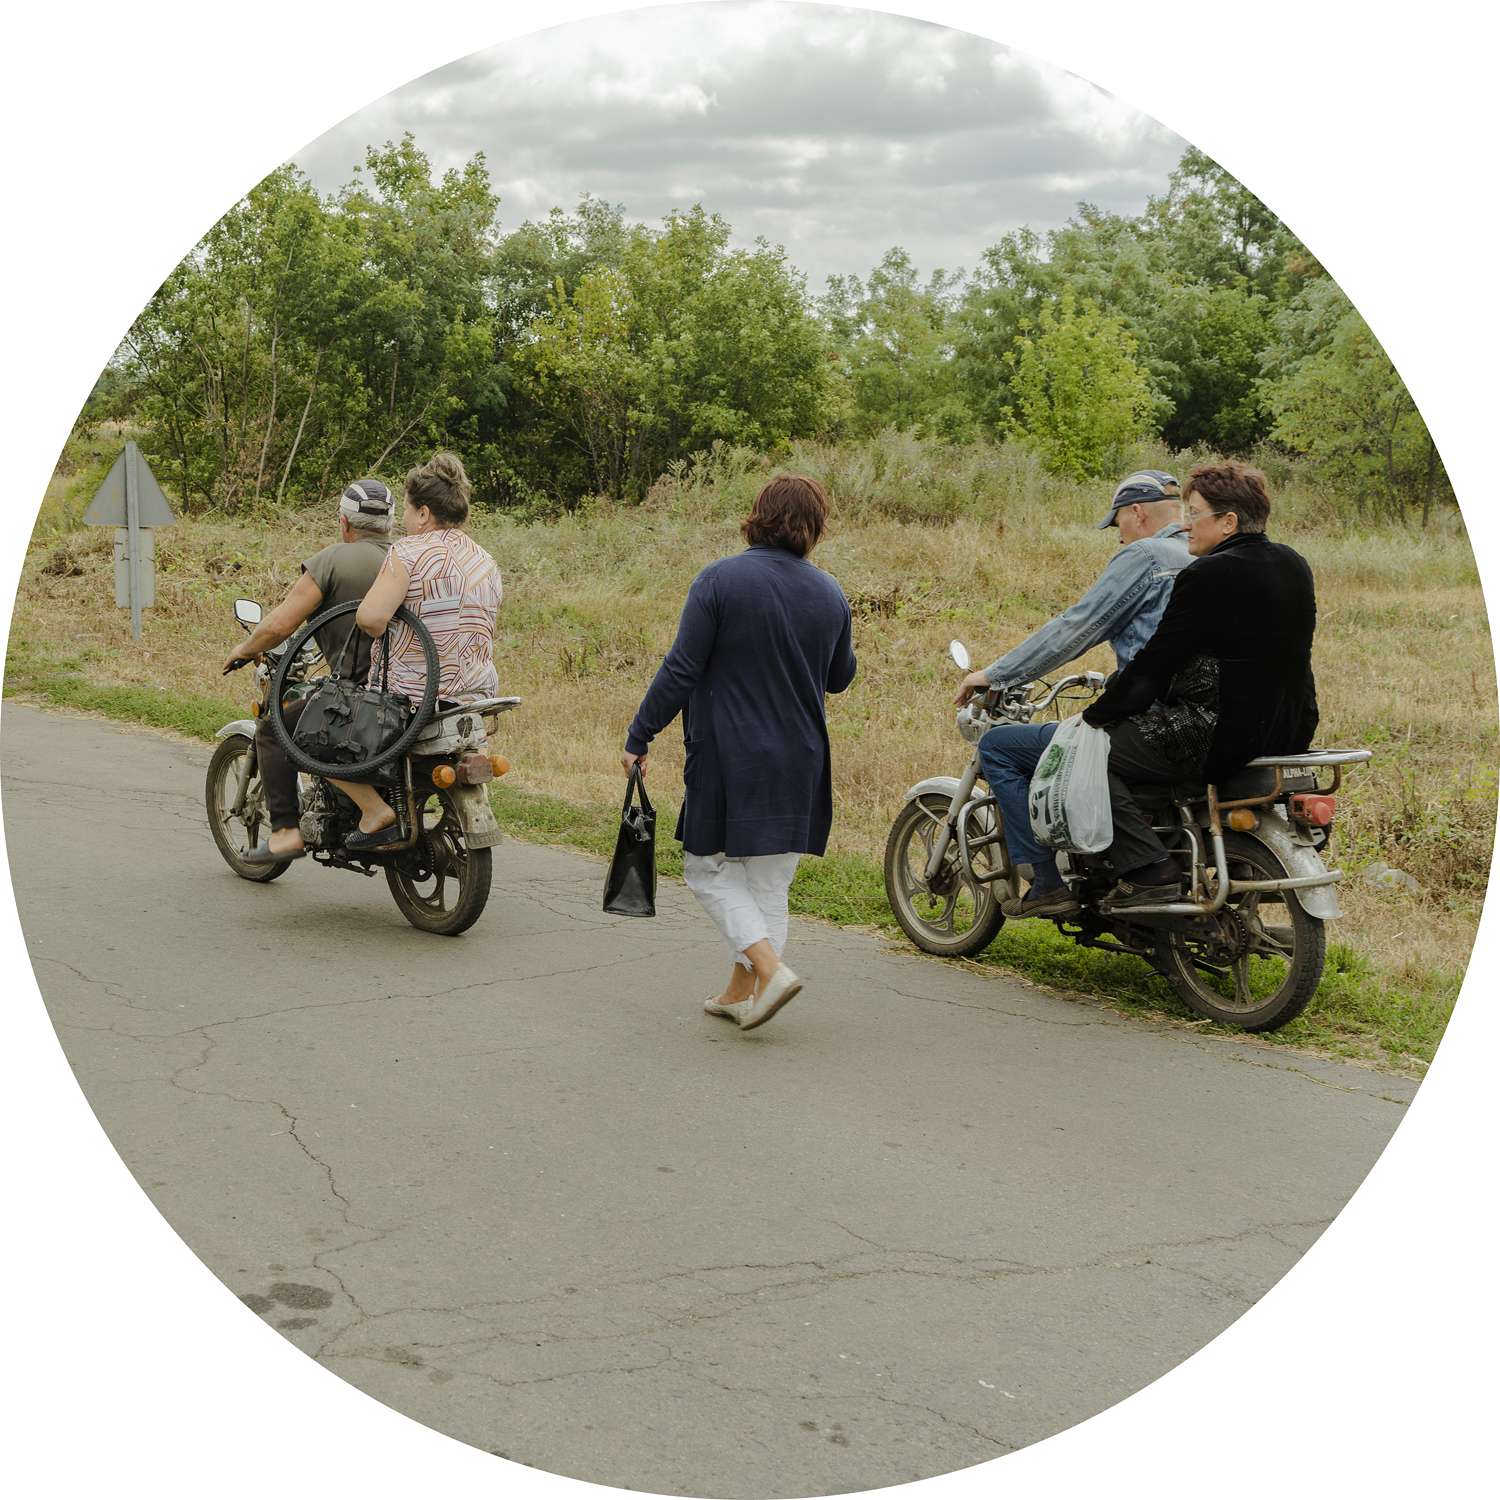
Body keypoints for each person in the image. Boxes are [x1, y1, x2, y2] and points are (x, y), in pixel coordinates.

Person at [621, 475, 857, 1033]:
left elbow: (682, 668)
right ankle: (741, 992)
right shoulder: (831, 593)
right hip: (802, 755)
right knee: (769, 884)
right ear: (816, 529)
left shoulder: (721, 579)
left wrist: (640, 735)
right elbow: (841, 677)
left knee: (705, 869)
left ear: (758, 517)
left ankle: (770, 970)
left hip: (730, 752)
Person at [1079, 460, 1319, 909]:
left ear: (1228, 522)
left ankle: (1148, 871)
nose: (1185, 524)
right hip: (1289, 727)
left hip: (1219, 733)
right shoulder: (1294, 563)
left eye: (1195, 513)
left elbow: (1157, 662)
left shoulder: (1206, 574)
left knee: (1093, 756)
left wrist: (1100, 713)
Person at [952, 470, 1191, 919]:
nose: (1117, 536)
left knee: (999, 747)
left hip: (1150, 720)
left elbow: (1076, 627)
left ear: (1137, 512)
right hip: (1197, 714)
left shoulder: (1146, 555)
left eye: (1117, 522)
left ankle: (1045, 881)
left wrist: (995, 674)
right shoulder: (1205, 555)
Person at [335, 452, 503, 851]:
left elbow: (372, 619)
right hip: (475, 695)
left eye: (408, 512)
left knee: (313, 736)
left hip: (412, 698)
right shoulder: (486, 560)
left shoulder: (408, 553)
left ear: (424, 512)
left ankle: (375, 811)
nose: (405, 522)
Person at [227, 479, 396, 865]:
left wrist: (244, 648)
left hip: (359, 695)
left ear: (344, 523)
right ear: (389, 524)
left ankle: (286, 832)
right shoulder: (408, 558)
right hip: (411, 693)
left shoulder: (334, 560)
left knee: (275, 730)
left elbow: (279, 626)